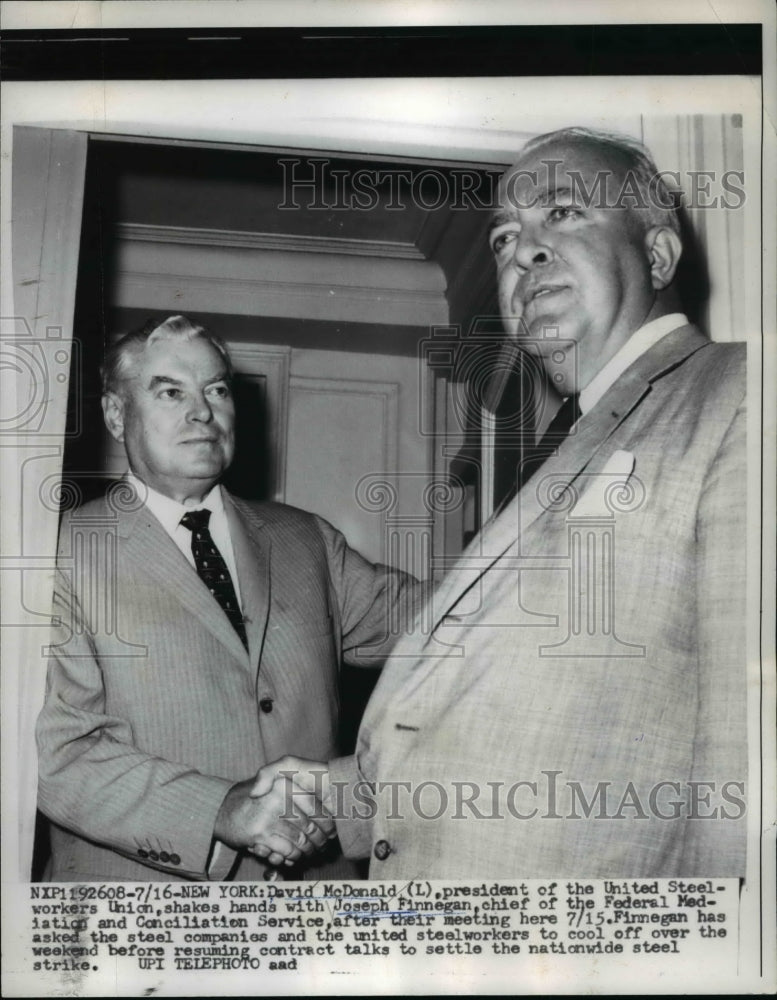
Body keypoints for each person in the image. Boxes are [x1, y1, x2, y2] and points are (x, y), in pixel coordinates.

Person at [264, 127, 748, 878]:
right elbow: (526, 720)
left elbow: (750, 755)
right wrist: (337, 797)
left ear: (656, 254)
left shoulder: (740, 396)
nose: (522, 251)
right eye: (502, 238)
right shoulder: (568, 440)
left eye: (561, 214)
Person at [36, 314, 423, 882]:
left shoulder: (305, 539)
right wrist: (220, 808)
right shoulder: (57, 553)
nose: (202, 411)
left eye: (216, 389)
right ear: (117, 415)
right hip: (142, 917)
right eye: (171, 392)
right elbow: (58, 755)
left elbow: (448, 623)